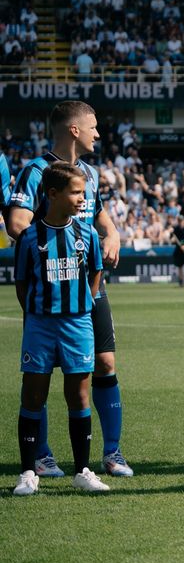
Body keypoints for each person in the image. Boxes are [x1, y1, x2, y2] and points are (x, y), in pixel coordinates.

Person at [6, 101, 131, 478]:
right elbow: (17, 223)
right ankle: (42, 455)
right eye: (93, 126)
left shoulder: (89, 174)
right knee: (40, 377)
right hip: (50, 290)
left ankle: (112, 453)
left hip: (88, 289)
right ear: (74, 130)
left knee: (104, 364)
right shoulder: (36, 171)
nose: (99, 133)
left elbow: (101, 219)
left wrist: (113, 235)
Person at [12, 162, 109, 496]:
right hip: (40, 324)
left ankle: (82, 470)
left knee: (79, 394)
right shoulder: (29, 237)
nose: (82, 198)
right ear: (52, 194)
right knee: (33, 395)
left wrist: (81, 304)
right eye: (75, 192)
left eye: (83, 191)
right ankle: (28, 472)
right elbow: (22, 283)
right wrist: (39, 312)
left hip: (77, 323)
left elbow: (95, 275)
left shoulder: (87, 234)